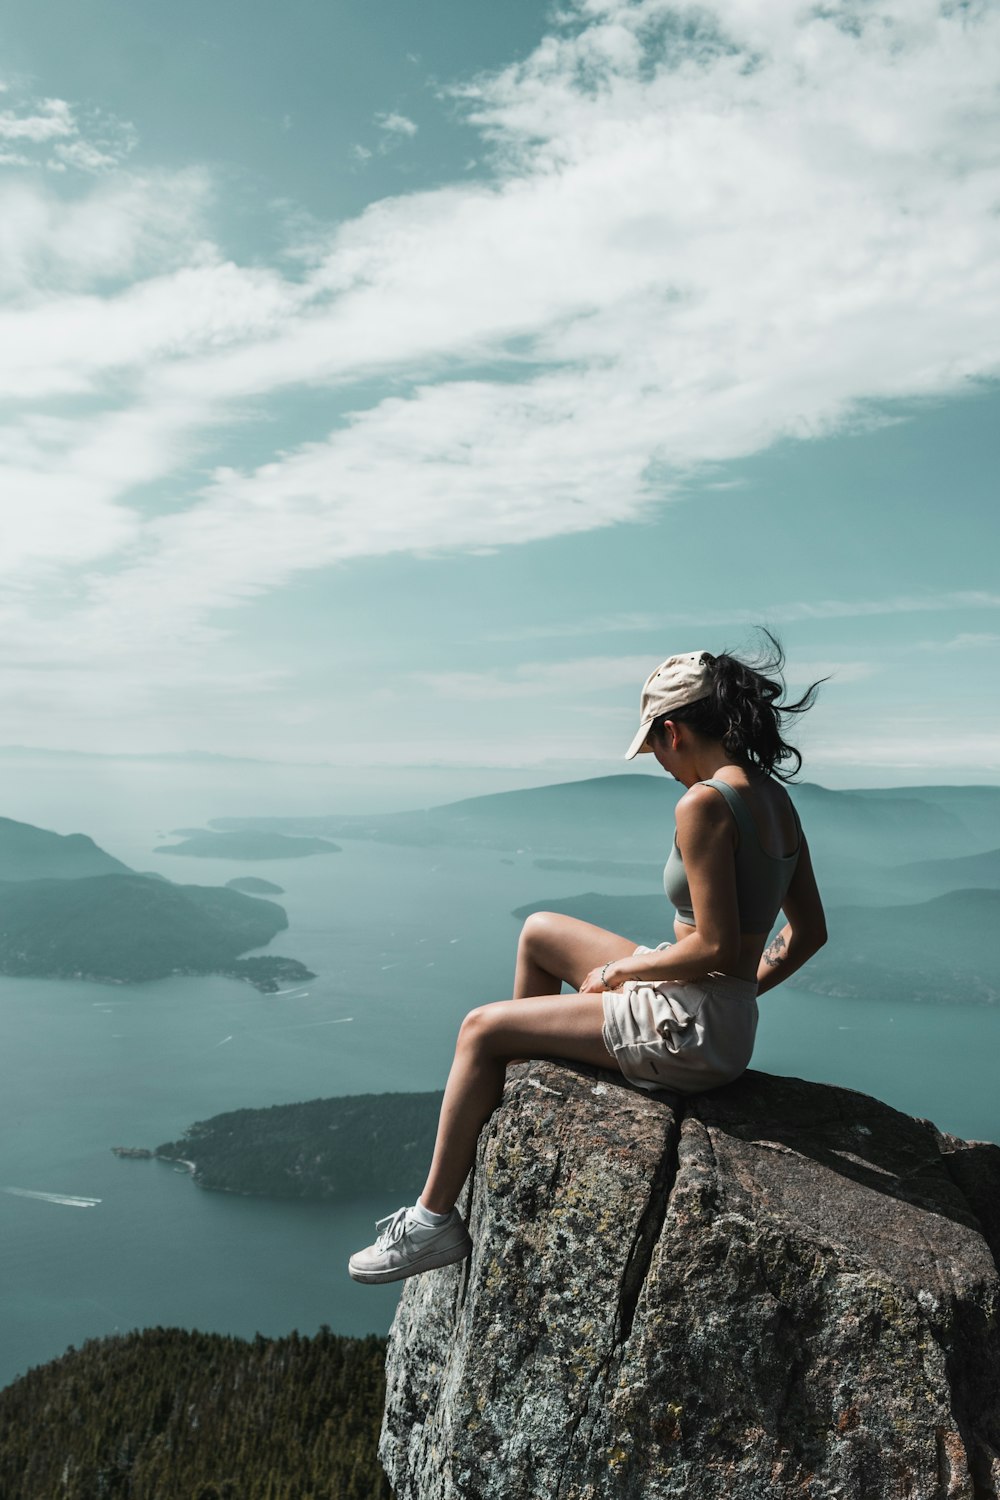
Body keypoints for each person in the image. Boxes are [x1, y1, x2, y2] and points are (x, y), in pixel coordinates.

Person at [348, 634, 827, 1284]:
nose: (657, 762)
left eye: (654, 745)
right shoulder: (774, 799)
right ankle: (515, 1093)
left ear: (673, 731)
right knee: (540, 932)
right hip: (714, 1015)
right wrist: (738, 998)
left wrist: (626, 974)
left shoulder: (705, 803)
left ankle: (433, 1222)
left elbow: (710, 945)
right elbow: (806, 933)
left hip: (688, 1023)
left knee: (480, 1029)